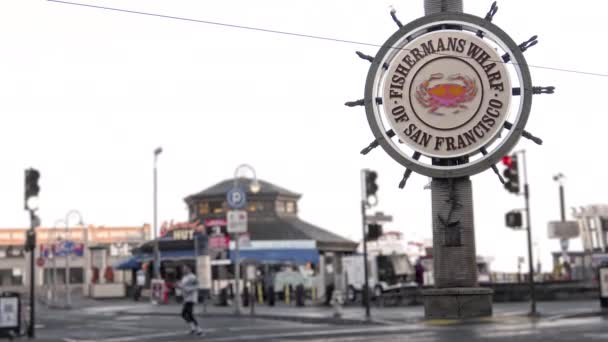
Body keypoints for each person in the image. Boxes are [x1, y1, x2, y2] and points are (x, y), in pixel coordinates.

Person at [176, 265, 204, 336]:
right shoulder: (184, 277)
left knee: (189, 314)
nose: (183, 270)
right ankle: (193, 328)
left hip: (191, 298)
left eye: (185, 269)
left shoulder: (192, 277)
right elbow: (183, 286)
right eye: (183, 269)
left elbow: (197, 286)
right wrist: (179, 286)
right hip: (186, 298)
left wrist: (187, 289)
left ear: (189, 269)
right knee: (183, 314)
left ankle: (199, 330)